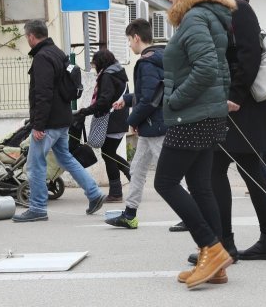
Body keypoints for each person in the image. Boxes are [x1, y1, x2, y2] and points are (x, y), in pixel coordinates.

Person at [152, 0, 236, 288]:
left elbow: (206, 68)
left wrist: (174, 100)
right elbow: (220, 67)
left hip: (193, 115)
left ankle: (212, 249)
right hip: (206, 113)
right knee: (200, 186)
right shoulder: (206, 15)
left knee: (165, 182)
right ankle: (217, 261)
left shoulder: (195, 18)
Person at [204, 0, 266, 261]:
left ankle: (230, 243)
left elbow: (249, 54)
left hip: (241, 106)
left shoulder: (241, 9)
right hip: (241, 106)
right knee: (245, 173)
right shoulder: (232, 10)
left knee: (222, 171)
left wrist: (235, 96)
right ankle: (263, 241)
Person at [13, 20, 106, 222]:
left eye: (26, 37)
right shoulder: (57, 53)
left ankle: (37, 207)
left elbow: (43, 93)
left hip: (49, 123)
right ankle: (94, 193)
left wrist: (38, 125)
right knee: (65, 158)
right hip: (63, 118)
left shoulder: (42, 58)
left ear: (31, 36)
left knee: (35, 164)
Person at [106, 18, 167, 229]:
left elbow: (150, 99)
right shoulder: (160, 56)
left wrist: (132, 120)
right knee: (137, 170)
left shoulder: (147, 62)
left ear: (136, 37)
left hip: (156, 126)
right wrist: (128, 99)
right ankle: (129, 214)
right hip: (152, 126)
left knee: (171, 173)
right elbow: (154, 92)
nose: (129, 45)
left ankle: (192, 214)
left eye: (129, 40)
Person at [76, 49, 131, 203]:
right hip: (121, 118)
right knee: (109, 152)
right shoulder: (119, 73)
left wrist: (85, 111)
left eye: (95, 64)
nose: (94, 68)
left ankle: (116, 193)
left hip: (111, 119)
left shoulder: (107, 75)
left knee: (108, 154)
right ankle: (130, 172)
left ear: (101, 63)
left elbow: (104, 101)